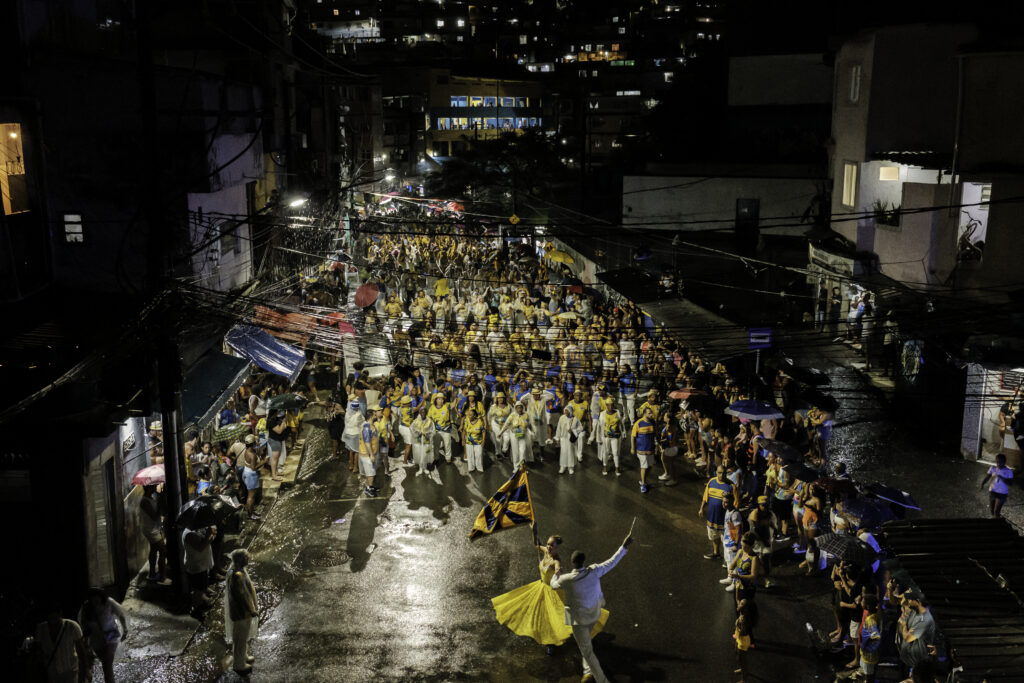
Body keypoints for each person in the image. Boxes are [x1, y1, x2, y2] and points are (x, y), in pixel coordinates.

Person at [491, 524, 609, 655]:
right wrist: (534, 531)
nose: (549, 547)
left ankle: (551, 642)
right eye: (548, 544)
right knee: (532, 609)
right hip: (540, 588)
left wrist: (558, 570)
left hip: (551, 593)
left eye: (552, 545)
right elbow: (537, 544)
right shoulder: (546, 552)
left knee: (553, 617)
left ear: (557, 548)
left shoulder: (556, 561)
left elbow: (558, 567)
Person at [550, 532, 633, 683]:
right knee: (585, 644)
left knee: (587, 651)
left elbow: (553, 585)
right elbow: (611, 562)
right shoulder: (594, 571)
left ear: (572, 562)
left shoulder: (566, 579)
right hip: (594, 614)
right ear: (583, 562)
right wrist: (623, 547)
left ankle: (602, 680)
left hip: (579, 621)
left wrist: (556, 574)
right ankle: (587, 671)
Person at [78, 588, 127, 683]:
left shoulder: (109, 603)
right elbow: (84, 626)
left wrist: (125, 630)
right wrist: (86, 642)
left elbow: (120, 615)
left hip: (111, 637)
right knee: (106, 665)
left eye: (97, 597)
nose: (95, 600)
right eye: (92, 598)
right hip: (96, 640)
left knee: (107, 665)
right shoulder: (87, 607)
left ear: (101, 596)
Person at [34, 601, 86, 683]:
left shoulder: (72, 626)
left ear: (60, 614)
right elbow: (38, 650)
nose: (52, 621)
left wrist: (84, 672)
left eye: (54, 618)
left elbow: (81, 652)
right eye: (49, 618)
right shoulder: (41, 629)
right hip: (51, 672)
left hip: (70, 670)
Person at [225, 548, 258, 675]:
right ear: (240, 560)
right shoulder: (237, 575)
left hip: (241, 612)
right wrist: (251, 610)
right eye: (246, 558)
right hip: (241, 613)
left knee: (241, 638)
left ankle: (243, 656)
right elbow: (242, 595)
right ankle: (239, 664)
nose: (248, 559)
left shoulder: (237, 571)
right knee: (240, 638)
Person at [698, 465, 740, 561]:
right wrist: (701, 509)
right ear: (716, 472)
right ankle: (716, 553)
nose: (722, 475)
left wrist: (733, 518)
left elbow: (736, 503)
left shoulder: (731, 486)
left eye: (724, 473)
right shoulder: (711, 482)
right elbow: (705, 497)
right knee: (714, 536)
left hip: (725, 520)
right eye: (720, 473)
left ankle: (729, 559)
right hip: (712, 517)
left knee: (727, 540)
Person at [896, 590, 936, 675]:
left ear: (918, 602)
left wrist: (904, 627)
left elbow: (907, 637)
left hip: (920, 665)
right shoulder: (914, 612)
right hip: (912, 662)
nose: (908, 601)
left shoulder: (925, 619)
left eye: (910, 599)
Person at [183, 525, 217, 614]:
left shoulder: (199, 529)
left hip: (202, 564)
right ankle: (196, 608)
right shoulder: (189, 534)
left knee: (202, 585)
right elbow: (200, 548)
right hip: (196, 566)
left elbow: (208, 540)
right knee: (198, 589)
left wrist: (211, 535)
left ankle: (202, 597)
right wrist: (208, 536)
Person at [139, 484, 167, 582]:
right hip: (150, 529)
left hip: (154, 527)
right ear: (148, 488)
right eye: (154, 486)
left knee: (154, 550)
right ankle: (162, 576)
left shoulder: (150, 498)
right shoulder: (144, 501)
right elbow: (154, 516)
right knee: (163, 550)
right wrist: (160, 504)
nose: (156, 486)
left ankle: (152, 573)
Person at [980, 453, 1014, 518]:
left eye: (1000, 462)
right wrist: (983, 483)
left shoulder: (1009, 471)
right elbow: (987, 477)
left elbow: (1010, 483)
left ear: (1004, 462)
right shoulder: (993, 468)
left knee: (996, 511)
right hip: (992, 491)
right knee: (992, 510)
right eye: (997, 461)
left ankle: (997, 524)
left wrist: (1002, 478)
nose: (998, 464)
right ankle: (995, 520)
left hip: (1002, 493)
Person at [241, 434, 267, 521]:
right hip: (251, 475)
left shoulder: (247, 451)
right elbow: (254, 467)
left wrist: (258, 448)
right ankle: (250, 515)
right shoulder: (252, 455)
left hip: (246, 472)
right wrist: (264, 462)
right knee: (251, 496)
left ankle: (252, 511)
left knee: (251, 495)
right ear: (252, 444)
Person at [631, 405, 656, 493]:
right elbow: (633, 436)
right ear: (644, 414)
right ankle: (643, 484)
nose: (651, 415)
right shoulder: (638, 423)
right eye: (649, 413)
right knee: (644, 466)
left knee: (650, 466)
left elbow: (654, 435)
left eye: (651, 413)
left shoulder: (653, 422)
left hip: (650, 449)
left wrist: (657, 445)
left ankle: (643, 479)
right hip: (641, 450)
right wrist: (632, 448)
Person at [598, 401, 623, 477]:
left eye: (612, 405)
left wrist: (623, 433)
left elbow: (621, 423)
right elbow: (599, 426)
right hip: (605, 437)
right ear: (606, 405)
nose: (610, 407)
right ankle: (605, 467)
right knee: (606, 452)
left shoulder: (617, 412)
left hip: (615, 436)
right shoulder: (602, 414)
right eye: (608, 405)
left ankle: (617, 468)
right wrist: (599, 438)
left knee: (615, 452)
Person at [359, 409, 381, 496]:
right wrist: (371, 455)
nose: (376, 416)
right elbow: (367, 443)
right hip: (367, 455)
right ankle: (369, 489)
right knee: (370, 473)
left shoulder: (371, 425)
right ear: (371, 416)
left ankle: (369, 486)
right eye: (375, 415)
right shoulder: (367, 428)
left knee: (371, 472)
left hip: (371, 453)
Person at [411, 405, 436, 476]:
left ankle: (425, 468)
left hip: (426, 441)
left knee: (425, 454)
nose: (423, 414)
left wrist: (427, 434)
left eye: (424, 412)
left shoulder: (430, 421)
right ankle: (420, 468)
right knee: (419, 454)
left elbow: (433, 431)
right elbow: (411, 428)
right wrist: (418, 432)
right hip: (418, 441)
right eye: (421, 412)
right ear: (419, 413)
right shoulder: (416, 421)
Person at [462, 407, 486, 473]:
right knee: (470, 455)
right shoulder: (467, 421)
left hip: (478, 442)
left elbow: (483, 431)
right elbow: (464, 431)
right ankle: (471, 468)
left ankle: (479, 468)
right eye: (468, 414)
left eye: (470, 415)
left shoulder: (480, 422)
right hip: (469, 442)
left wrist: (483, 440)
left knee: (478, 454)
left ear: (474, 415)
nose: (469, 416)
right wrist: (463, 440)